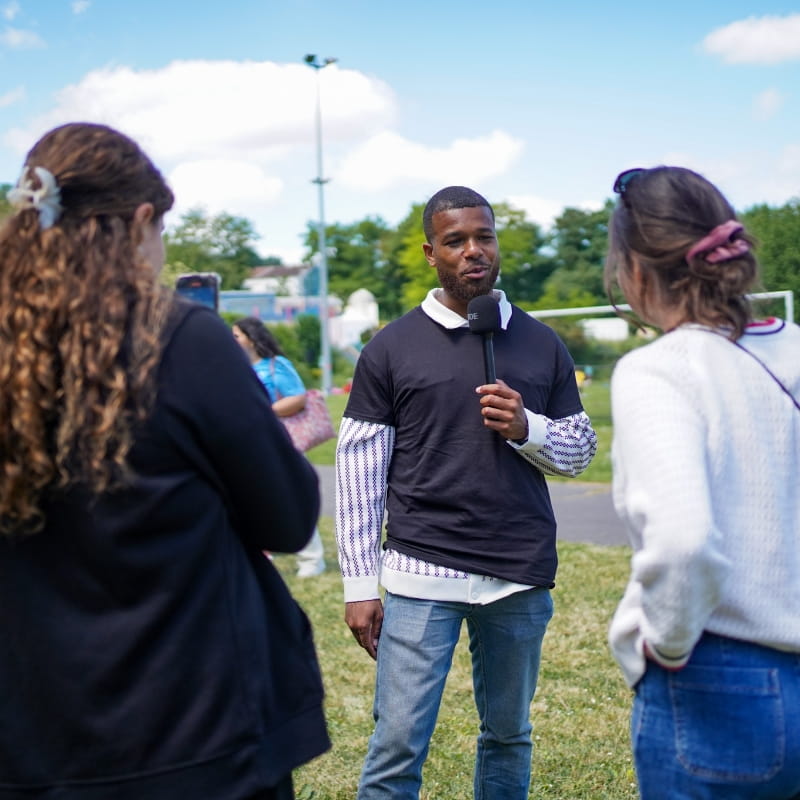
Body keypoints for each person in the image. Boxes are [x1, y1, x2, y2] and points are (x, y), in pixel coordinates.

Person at [0, 122, 329, 800]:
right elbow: (288, 517)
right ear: (139, 220)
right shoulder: (179, 337)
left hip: (33, 742)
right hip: (196, 732)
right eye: (161, 233)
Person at [335, 186, 597, 799]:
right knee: (397, 743)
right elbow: (359, 471)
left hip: (518, 574)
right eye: (455, 241)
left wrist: (528, 428)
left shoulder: (541, 342)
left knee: (508, 735)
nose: (473, 250)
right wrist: (358, 584)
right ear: (432, 253)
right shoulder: (390, 347)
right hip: (421, 571)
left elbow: (581, 451)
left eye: (484, 237)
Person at [605, 166, 800, 798]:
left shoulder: (659, 370)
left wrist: (664, 642)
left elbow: (684, 541)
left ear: (635, 269)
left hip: (720, 674)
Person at [232, 316, 326, 577]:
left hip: (278, 440)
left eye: (237, 335)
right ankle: (261, 554)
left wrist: (264, 411)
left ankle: (312, 559)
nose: (232, 340)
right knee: (252, 500)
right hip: (250, 441)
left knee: (289, 496)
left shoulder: (276, 365)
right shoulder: (238, 366)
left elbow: (298, 397)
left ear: (251, 339)